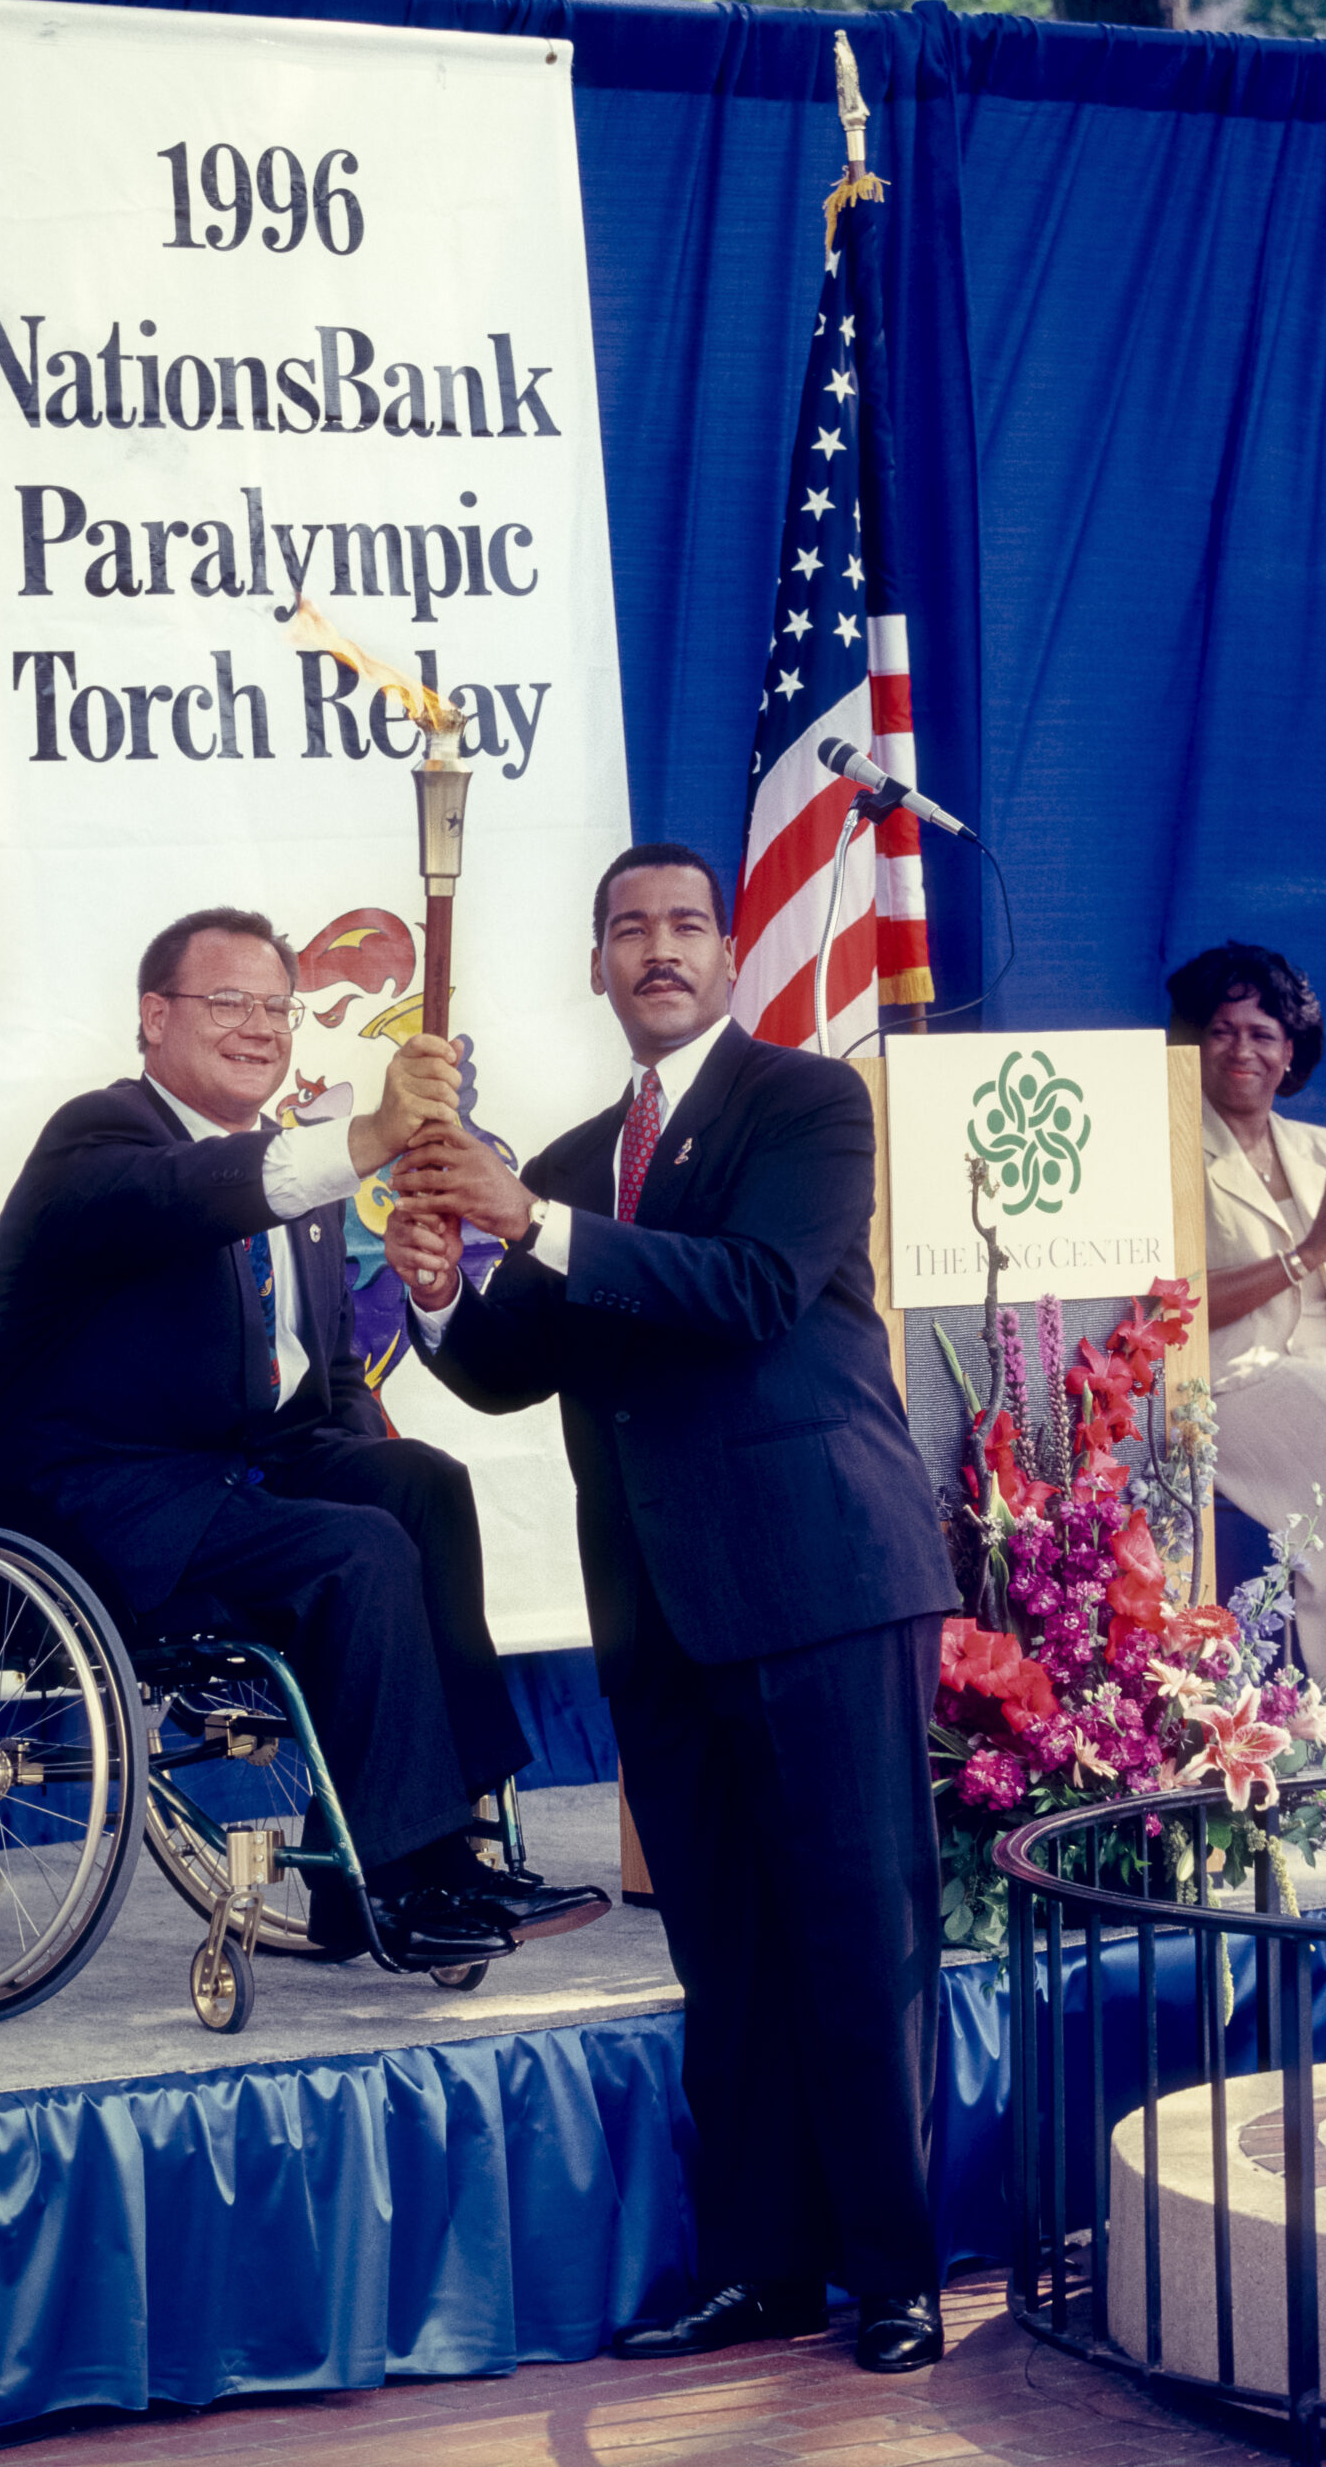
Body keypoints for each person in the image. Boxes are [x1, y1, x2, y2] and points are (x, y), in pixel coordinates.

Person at [383, 843, 959, 2374]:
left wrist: (530, 1221)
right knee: (726, 1952)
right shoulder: (573, 1158)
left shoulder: (808, 1105)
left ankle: (894, 2278)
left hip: (823, 1583)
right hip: (658, 1610)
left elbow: (751, 1289)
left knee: (858, 1940)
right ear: (595, 967)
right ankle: (765, 2274)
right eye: (625, 926)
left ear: (726, 953)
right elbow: (513, 1364)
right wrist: (439, 1289)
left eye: (684, 925)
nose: (656, 948)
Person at [0, 904, 608, 1970]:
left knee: (420, 1485)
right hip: (106, 1501)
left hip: (233, 1476)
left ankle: (442, 1839)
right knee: (355, 1552)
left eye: (276, 1006)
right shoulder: (100, 1137)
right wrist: (368, 1138)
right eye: (228, 1002)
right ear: (152, 1016)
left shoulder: (296, 1180)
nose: (260, 1026)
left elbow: (331, 1387)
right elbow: (190, 1199)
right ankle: (408, 1880)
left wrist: (376, 1458)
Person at [1167, 940, 1326, 1701]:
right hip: (1231, 1387)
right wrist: (1303, 1253)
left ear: (1290, 1050)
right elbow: (1166, 1308)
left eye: (1262, 1033)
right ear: (1193, 1042)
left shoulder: (1325, 1149)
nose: (1242, 1049)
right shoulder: (1166, 1154)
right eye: (1222, 1030)